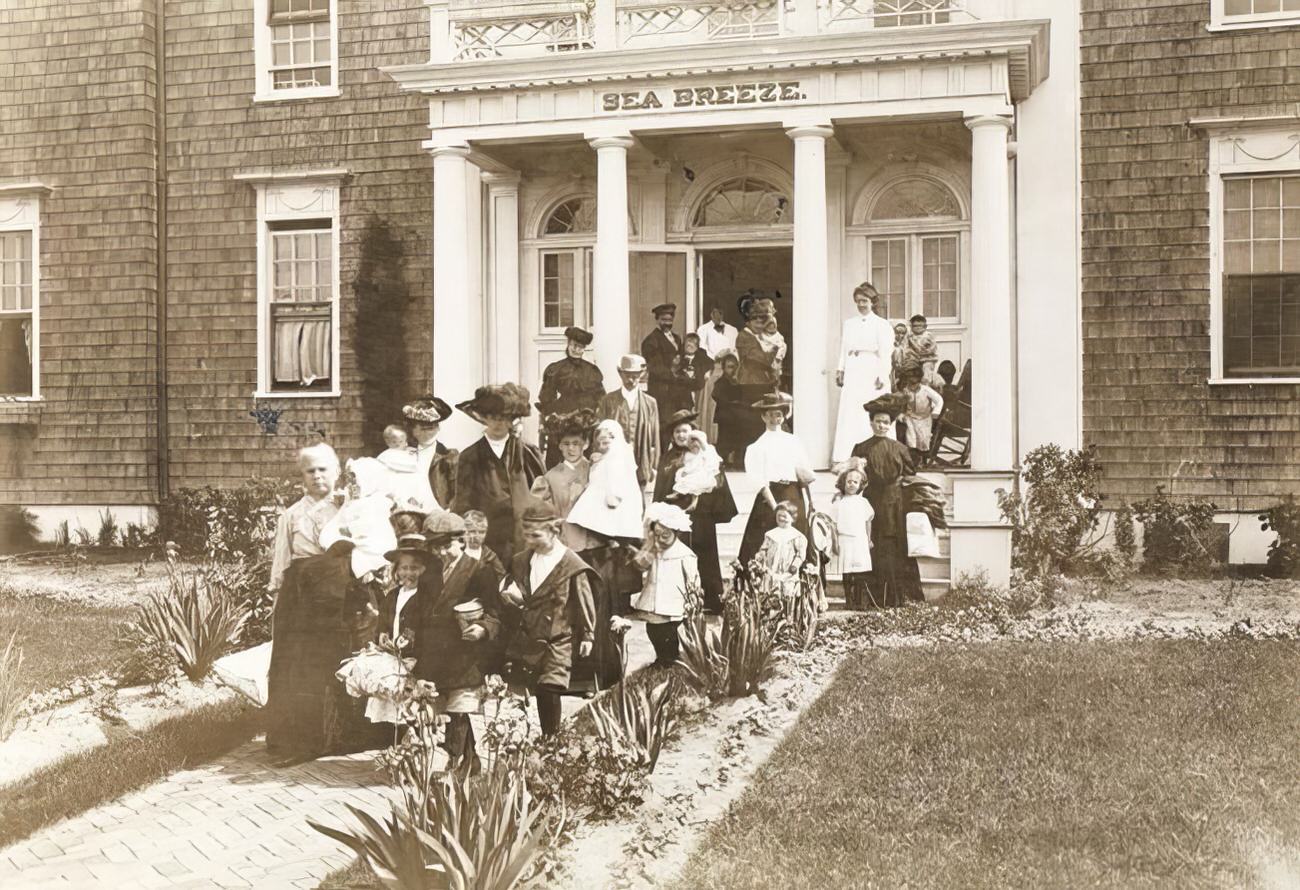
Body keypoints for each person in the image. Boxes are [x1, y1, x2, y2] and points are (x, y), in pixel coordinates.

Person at [266, 457, 396, 766]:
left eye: (357, 480)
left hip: (348, 590)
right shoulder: (348, 506)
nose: (353, 486)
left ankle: (336, 734)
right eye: (350, 479)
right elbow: (330, 537)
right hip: (324, 585)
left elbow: (378, 549)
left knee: (334, 659)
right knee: (300, 656)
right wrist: (339, 543)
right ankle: (294, 733)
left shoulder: (377, 508)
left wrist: (352, 557)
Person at [498, 501, 601, 736]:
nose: (529, 540)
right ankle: (519, 743)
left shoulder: (571, 564)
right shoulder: (522, 560)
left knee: (549, 689)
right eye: (526, 535)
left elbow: (584, 599)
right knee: (518, 691)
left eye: (535, 535)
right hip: (528, 635)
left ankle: (551, 741)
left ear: (554, 531)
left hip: (558, 638)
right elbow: (513, 587)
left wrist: (588, 634)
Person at [420, 511, 500, 772]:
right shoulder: (430, 574)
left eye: (446, 546)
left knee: (459, 708)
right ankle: (471, 761)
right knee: (448, 709)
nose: (442, 553)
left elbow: (496, 614)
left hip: (464, 654)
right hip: (436, 654)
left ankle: (456, 763)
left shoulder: (479, 572)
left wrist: (482, 628)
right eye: (436, 548)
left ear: (461, 541)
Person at [451, 383, 546, 566]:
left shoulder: (526, 451)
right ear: (484, 418)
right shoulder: (470, 456)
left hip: (523, 537)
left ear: (511, 420)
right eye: (493, 417)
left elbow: (540, 492)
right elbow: (463, 501)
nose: (498, 423)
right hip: (488, 537)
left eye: (503, 418)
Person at [653, 411, 737, 613]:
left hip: (701, 514)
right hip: (675, 516)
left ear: (693, 432)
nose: (682, 435)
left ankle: (710, 599)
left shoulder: (705, 455)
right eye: (677, 432)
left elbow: (717, 481)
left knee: (704, 555)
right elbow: (661, 488)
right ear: (672, 436)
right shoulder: (668, 458)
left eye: (685, 431)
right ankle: (678, 600)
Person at [850, 396, 924, 607]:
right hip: (871, 501)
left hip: (894, 502)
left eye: (885, 422)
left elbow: (910, 478)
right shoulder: (861, 448)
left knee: (893, 547)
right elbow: (853, 478)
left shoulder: (900, 449)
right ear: (871, 422)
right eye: (878, 421)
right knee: (873, 545)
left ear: (890, 425)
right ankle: (872, 598)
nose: (881, 426)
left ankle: (897, 597)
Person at [738, 392, 815, 567]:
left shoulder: (794, 441)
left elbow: (803, 473)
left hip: (794, 494)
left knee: (798, 538)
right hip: (770, 496)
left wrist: (810, 501)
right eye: (770, 414)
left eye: (778, 414)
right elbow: (759, 481)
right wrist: (776, 508)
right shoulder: (756, 447)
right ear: (763, 416)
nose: (775, 418)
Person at [627, 502, 700, 667]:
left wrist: (692, 603)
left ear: (676, 533)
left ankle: (670, 661)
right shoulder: (655, 550)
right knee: (653, 630)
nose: (661, 539)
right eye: (657, 535)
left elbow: (693, 582)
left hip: (673, 603)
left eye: (665, 536)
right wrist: (650, 548)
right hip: (654, 600)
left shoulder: (684, 555)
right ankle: (661, 658)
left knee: (669, 634)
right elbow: (639, 565)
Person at [833, 282, 896, 463]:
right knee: (851, 410)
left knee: (870, 408)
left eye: (865, 301)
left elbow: (886, 353)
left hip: (872, 368)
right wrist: (841, 368)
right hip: (853, 369)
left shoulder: (882, 324)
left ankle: (877, 454)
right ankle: (847, 454)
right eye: (858, 301)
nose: (861, 304)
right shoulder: (849, 323)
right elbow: (844, 347)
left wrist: (882, 375)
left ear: (872, 302)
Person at [268, 442, 341, 594]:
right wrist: (277, 592)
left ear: (336, 472)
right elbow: (282, 560)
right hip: (303, 590)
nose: (317, 476)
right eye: (310, 471)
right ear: (303, 476)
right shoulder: (291, 515)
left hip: (341, 588)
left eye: (322, 469)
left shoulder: (348, 510)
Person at [537, 326, 605, 468]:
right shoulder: (556, 369)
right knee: (559, 459)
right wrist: (553, 416)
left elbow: (601, 397)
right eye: (574, 345)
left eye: (580, 347)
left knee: (585, 460)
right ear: (568, 344)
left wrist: (594, 417)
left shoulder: (591, 370)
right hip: (563, 419)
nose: (576, 350)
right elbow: (546, 397)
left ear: (584, 349)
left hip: (586, 420)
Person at [530, 410, 597, 554]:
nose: (571, 448)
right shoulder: (550, 478)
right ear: (559, 446)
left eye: (576, 443)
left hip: (595, 544)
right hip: (564, 545)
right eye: (566, 443)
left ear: (585, 444)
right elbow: (540, 514)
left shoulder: (595, 471)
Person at [567, 419, 645, 540]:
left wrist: (615, 495)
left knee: (614, 528)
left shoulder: (621, 458)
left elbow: (622, 481)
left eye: (606, 443)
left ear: (616, 440)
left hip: (615, 498)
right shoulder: (604, 458)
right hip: (599, 498)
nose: (602, 447)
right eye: (600, 444)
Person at [597, 353, 660, 487]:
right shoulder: (608, 401)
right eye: (627, 375)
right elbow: (599, 434)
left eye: (635, 376)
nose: (631, 380)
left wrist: (653, 465)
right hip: (614, 461)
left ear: (641, 375)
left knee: (639, 500)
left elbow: (655, 437)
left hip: (640, 460)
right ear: (620, 374)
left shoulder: (650, 403)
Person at [831, 464, 875, 610]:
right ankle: (849, 601)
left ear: (860, 485)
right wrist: (835, 542)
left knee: (860, 572)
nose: (851, 484)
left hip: (859, 540)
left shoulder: (863, 503)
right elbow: (833, 524)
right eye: (848, 481)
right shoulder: (838, 504)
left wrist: (869, 539)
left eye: (855, 482)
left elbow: (868, 521)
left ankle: (859, 601)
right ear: (843, 483)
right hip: (845, 540)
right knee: (847, 572)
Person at [404, 395, 457, 513]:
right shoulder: (403, 454)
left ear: (438, 428)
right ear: (413, 430)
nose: (429, 433)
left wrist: (448, 511)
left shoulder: (449, 457)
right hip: (408, 510)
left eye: (432, 428)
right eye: (423, 428)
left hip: (438, 512)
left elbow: (457, 493)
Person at [755, 501, 809, 599]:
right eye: (778, 516)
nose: (781, 519)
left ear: (792, 518)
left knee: (787, 593)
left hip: (788, 572)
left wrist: (795, 565)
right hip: (771, 571)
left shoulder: (797, 536)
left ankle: (787, 611)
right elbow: (764, 548)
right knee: (771, 592)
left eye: (784, 516)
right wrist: (760, 555)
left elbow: (800, 555)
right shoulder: (770, 535)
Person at [640, 303, 683, 419]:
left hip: (677, 390)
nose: (667, 323)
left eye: (670, 320)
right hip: (661, 391)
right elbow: (656, 368)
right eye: (663, 320)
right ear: (657, 320)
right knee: (664, 422)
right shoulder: (651, 341)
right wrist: (673, 371)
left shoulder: (677, 338)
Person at [710, 351, 747, 468]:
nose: (733, 370)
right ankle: (722, 461)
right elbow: (716, 395)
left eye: (735, 366)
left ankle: (737, 460)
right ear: (724, 368)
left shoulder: (739, 381)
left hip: (738, 416)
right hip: (726, 415)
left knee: (739, 438)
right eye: (730, 367)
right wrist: (731, 403)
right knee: (724, 440)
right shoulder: (721, 382)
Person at [898, 367, 944, 460]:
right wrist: (901, 415)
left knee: (923, 440)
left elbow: (939, 400)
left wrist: (936, 412)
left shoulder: (926, 390)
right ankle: (913, 459)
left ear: (919, 381)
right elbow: (901, 404)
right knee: (911, 439)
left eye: (914, 383)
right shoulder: (906, 391)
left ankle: (923, 458)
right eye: (910, 383)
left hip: (924, 418)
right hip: (910, 417)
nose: (912, 386)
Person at [462, 509, 506, 584]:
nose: (477, 536)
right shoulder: (455, 552)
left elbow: (502, 580)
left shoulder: (490, 556)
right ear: (463, 532)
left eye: (482, 532)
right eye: (472, 531)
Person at [674, 333, 714, 413]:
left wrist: (708, 372)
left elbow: (711, 363)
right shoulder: (678, 357)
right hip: (683, 390)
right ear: (684, 344)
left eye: (694, 343)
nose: (690, 345)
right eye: (688, 342)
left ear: (697, 346)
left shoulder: (701, 356)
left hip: (698, 388)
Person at [904, 314, 942, 389]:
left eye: (920, 326)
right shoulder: (910, 337)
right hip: (914, 358)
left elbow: (932, 348)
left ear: (925, 327)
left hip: (927, 358)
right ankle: (909, 386)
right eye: (915, 326)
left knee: (926, 369)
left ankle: (926, 386)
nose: (918, 328)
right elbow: (906, 348)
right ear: (911, 327)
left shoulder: (928, 336)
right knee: (909, 368)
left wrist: (924, 352)